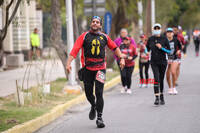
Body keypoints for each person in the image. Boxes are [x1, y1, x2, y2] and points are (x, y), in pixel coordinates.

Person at [66, 16, 125, 128]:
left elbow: (115, 48)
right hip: (87, 69)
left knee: (99, 93)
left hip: (100, 68)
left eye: (97, 22)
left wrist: (121, 58)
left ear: (100, 25)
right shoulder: (84, 36)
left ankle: (99, 118)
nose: (95, 23)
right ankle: (93, 105)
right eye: (93, 22)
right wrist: (68, 63)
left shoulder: (105, 37)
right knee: (88, 93)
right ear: (90, 24)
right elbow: (74, 50)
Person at [146, 23, 171, 105]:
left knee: (161, 79)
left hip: (163, 61)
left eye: (158, 29)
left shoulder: (164, 39)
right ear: (153, 30)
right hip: (153, 62)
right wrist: (146, 52)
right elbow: (147, 49)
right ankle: (156, 97)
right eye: (155, 29)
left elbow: (169, 51)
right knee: (156, 78)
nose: (157, 30)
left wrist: (162, 48)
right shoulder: (150, 39)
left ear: (160, 29)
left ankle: (162, 96)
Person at [165, 28, 182, 95]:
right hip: (166, 58)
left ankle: (174, 88)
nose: (169, 33)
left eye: (170, 32)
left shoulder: (176, 39)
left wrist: (179, 51)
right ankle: (170, 88)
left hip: (174, 57)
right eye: (168, 32)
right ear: (166, 33)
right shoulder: (164, 40)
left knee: (173, 72)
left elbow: (180, 47)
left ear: (173, 33)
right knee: (167, 74)